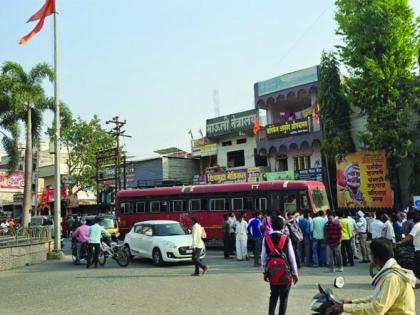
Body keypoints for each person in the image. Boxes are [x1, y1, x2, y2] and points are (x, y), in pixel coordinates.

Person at [326, 238, 416, 315]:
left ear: (376, 257)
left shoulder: (392, 278)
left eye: (371, 254)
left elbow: (377, 309)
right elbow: (376, 298)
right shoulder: (393, 270)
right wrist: (350, 303)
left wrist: (344, 308)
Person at [261, 216, 298, 315]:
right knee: (284, 298)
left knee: (273, 295)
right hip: (285, 273)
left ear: (272, 226)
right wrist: (295, 273)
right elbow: (292, 258)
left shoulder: (266, 239)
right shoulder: (286, 239)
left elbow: (263, 257)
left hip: (272, 273)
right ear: (283, 227)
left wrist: (265, 272)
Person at [398, 212, 420, 280]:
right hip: (416, 247)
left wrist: (401, 242)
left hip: (418, 248)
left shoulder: (417, 225)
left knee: (417, 267)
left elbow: (410, 236)